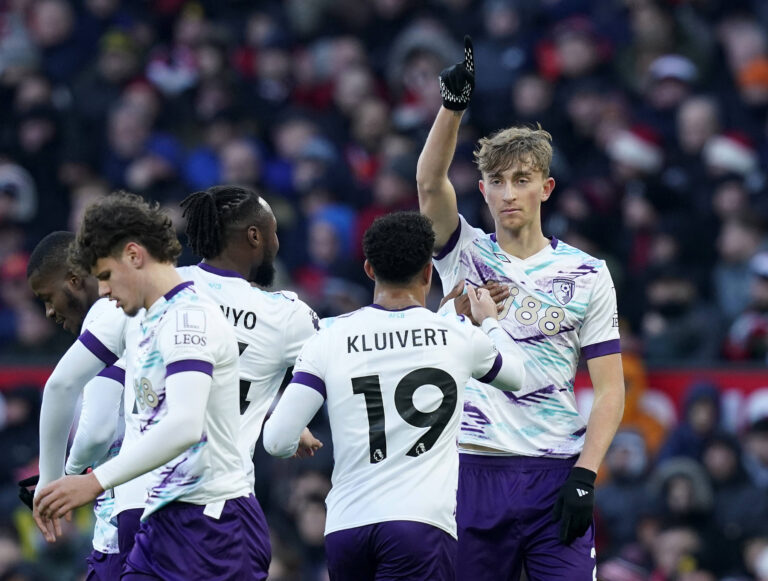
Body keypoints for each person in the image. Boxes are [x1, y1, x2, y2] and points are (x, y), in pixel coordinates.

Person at [416, 36, 625, 580]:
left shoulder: (587, 273)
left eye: (522, 180)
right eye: (497, 181)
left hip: (555, 470)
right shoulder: (462, 254)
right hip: (471, 465)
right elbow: (429, 183)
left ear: (546, 188)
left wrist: (586, 475)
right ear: (483, 190)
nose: (508, 193)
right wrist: (451, 108)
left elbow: (610, 389)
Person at [262, 211, 527, 581]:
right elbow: (516, 376)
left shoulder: (330, 335)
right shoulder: (457, 336)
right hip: (419, 526)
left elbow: (276, 440)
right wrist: (489, 321)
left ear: (369, 269)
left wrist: (297, 434)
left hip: (346, 527)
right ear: (428, 273)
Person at [34, 192, 270, 580]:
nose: (103, 291)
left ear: (133, 255)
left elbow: (184, 427)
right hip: (159, 519)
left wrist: (92, 480)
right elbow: (62, 386)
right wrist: (59, 482)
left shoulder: (189, 318)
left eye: (105, 276)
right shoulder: (138, 320)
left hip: (214, 523)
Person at [177, 184, 323, 488]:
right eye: (274, 232)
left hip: (142, 487)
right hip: (221, 490)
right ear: (255, 236)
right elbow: (346, 360)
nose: (277, 243)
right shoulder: (285, 316)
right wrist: (291, 420)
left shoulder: (162, 288)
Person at [26, 231, 129, 579]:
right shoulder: (149, 312)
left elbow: (94, 428)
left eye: (48, 297)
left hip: (127, 517)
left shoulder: (107, 315)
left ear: (73, 280)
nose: (49, 311)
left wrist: (58, 481)